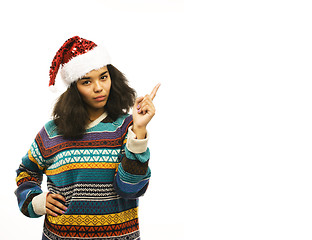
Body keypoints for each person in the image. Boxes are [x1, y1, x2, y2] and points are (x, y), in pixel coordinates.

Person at [15, 36, 160, 240]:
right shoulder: (51, 132)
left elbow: (131, 189)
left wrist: (138, 130)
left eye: (103, 77)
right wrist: (37, 201)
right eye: (86, 81)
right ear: (74, 88)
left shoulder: (126, 127)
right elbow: (26, 172)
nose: (99, 87)